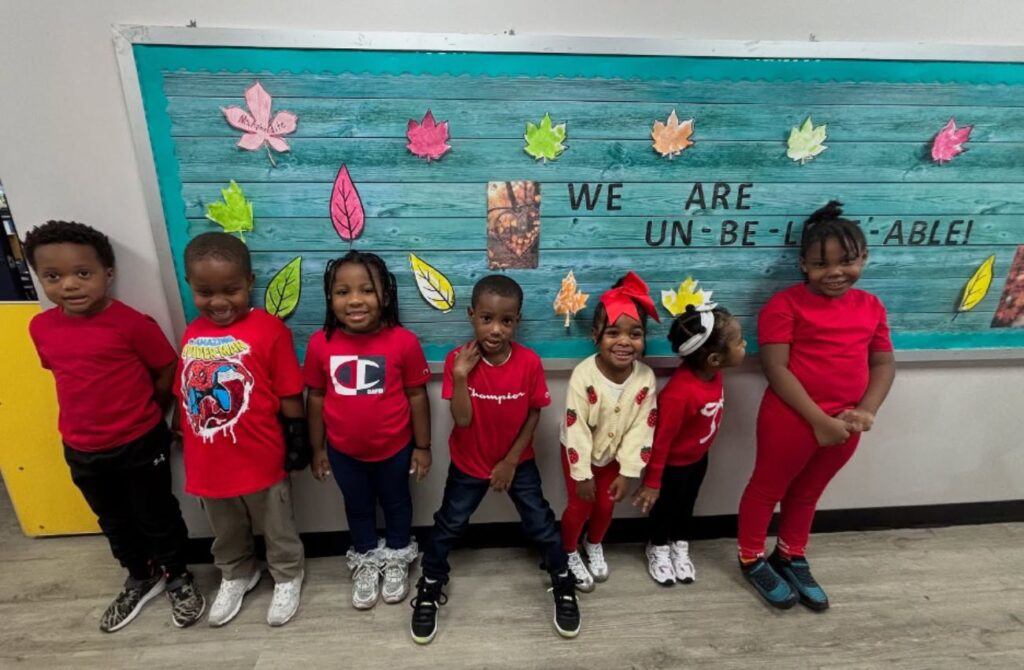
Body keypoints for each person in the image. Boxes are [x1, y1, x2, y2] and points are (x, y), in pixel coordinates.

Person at [24, 220, 203, 632]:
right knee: (113, 519)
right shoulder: (42, 327)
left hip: (140, 441)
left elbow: (166, 370)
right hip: (81, 446)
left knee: (157, 513)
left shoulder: (132, 324)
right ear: (39, 278)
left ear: (108, 274)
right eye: (53, 276)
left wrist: (150, 413)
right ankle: (140, 576)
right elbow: (61, 374)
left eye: (82, 273)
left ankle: (178, 576)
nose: (69, 285)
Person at [737, 201, 896, 611]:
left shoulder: (871, 307)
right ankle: (752, 556)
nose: (836, 273)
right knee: (766, 488)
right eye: (822, 265)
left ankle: (790, 553)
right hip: (791, 418)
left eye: (847, 262)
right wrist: (817, 420)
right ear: (804, 265)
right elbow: (775, 367)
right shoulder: (784, 305)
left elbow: (882, 362)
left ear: (864, 258)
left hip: (846, 422)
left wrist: (867, 410)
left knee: (808, 493)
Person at [410, 275, 580, 644]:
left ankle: (562, 580)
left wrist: (510, 462)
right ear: (472, 315)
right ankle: (431, 583)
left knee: (541, 523)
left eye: (506, 321)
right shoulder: (460, 360)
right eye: (487, 318)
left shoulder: (529, 362)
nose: (496, 329)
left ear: (517, 321)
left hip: (518, 463)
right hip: (469, 465)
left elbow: (534, 413)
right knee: (448, 525)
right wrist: (458, 376)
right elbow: (464, 420)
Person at [176, 232, 308, 627]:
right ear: (190, 287)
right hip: (207, 461)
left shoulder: (269, 329)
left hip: (260, 456)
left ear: (249, 283)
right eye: (205, 292)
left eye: (230, 290)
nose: (218, 302)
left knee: (276, 523)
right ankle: (236, 573)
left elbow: (287, 390)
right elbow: (183, 390)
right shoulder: (191, 333)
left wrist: (296, 434)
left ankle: (287, 574)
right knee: (225, 527)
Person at [304, 251, 431, 610]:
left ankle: (395, 557)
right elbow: (315, 398)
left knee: (397, 503)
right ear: (330, 297)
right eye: (343, 291)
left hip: (395, 449)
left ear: (386, 296)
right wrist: (317, 449)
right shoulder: (319, 344)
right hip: (343, 452)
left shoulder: (403, 342)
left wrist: (423, 447)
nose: (355, 300)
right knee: (356, 506)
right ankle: (365, 558)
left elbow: (418, 396)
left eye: (366, 290)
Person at [633, 301, 746, 586]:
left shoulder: (714, 375)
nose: (744, 344)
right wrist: (652, 483)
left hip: (698, 459)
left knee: (687, 504)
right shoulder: (679, 394)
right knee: (664, 508)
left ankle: (679, 543)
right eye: (738, 341)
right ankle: (658, 546)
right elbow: (661, 440)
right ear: (714, 359)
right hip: (671, 466)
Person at [560, 271, 659, 592]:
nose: (624, 342)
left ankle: (594, 543)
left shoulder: (645, 378)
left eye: (635, 334)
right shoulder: (583, 375)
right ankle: (568, 551)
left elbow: (642, 427)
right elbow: (576, 428)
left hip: (616, 457)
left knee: (606, 505)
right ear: (596, 336)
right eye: (613, 332)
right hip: (580, 453)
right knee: (580, 504)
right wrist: (583, 473)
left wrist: (630, 470)